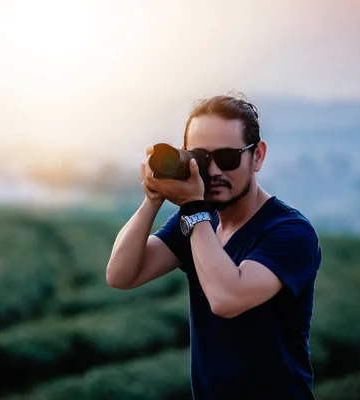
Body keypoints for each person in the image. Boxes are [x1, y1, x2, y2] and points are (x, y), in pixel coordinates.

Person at [105, 94, 322, 400]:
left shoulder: (290, 232)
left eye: (228, 157)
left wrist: (193, 208)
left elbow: (226, 298)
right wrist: (152, 199)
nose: (215, 171)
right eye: (202, 158)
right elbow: (121, 274)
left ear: (257, 156)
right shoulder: (199, 221)